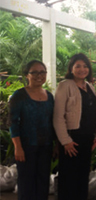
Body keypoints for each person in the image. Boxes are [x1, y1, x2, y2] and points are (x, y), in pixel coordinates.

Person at [53, 53, 96, 200]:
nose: (82, 69)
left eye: (85, 66)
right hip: (71, 139)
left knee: (82, 176)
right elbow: (58, 116)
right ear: (71, 68)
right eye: (78, 66)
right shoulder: (64, 85)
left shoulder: (89, 87)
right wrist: (65, 141)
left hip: (87, 138)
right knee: (69, 178)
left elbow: (95, 113)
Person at [9, 60, 55, 200]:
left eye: (42, 72)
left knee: (43, 182)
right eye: (34, 72)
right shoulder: (19, 95)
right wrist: (18, 147)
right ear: (27, 75)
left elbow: (52, 122)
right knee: (26, 183)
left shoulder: (50, 97)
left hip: (46, 147)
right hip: (26, 147)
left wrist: (55, 144)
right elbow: (13, 123)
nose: (39, 75)